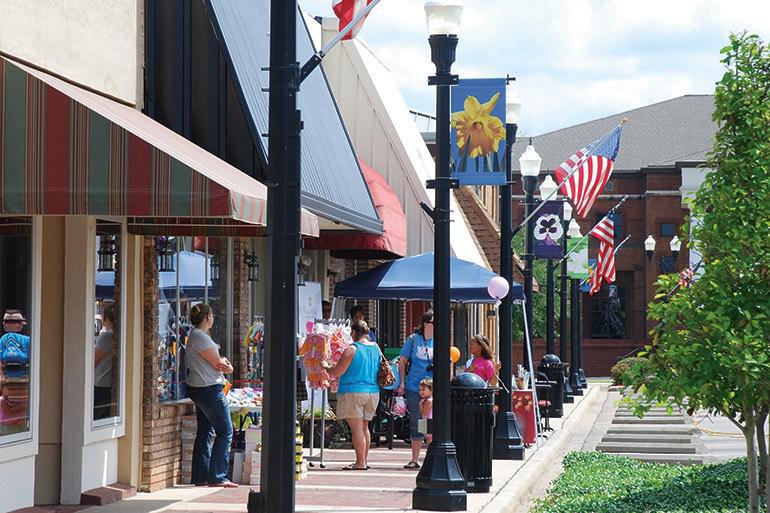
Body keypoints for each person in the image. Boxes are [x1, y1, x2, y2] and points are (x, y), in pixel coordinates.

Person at [185, 304, 237, 488]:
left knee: (206, 431)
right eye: (212, 314)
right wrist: (228, 366)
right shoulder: (200, 337)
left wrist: (224, 364)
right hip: (209, 389)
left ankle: (201, 475)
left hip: (201, 388)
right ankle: (218, 476)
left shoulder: (198, 336)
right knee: (225, 431)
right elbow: (219, 364)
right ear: (207, 316)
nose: (213, 318)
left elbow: (219, 362)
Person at [324, 320, 379, 471]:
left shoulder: (352, 349)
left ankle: (360, 462)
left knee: (356, 429)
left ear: (353, 333)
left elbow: (338, 371)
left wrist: (326, 367)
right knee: (364, 427)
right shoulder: (375, 348)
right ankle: (364, 460)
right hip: (373, 392)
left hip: (353, 391)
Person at [397, 309, 433, 469]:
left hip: (433, 388)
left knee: (430, 422)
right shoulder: (413, 340)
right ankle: (415, 458)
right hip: (414, 387)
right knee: (417, 421)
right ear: (426, 324)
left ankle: (431, 458)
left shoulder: (439, 340)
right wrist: (402, 382)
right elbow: (402, 361)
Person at [94, 303, 117, 420]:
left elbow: (94, 360)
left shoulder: (107, 336)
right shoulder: (116, 335)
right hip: (108, 383)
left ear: (106, 316)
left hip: (100, 382)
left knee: (94, 418)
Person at [0, 310, 30, 381]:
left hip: (24, 375)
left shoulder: (27, 340)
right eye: (7, 321)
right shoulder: (3, 339)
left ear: (22, 323)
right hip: (6, 376)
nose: (5, 324)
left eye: (13, 321)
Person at [418, 378, 433, 445]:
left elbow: (423, 413)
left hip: (429, 421)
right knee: (427, 439)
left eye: (423, 389)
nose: (421, 392)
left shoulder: (429, 400)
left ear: (431, 390)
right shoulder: (426, 400)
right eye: (420, 390)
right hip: (426, 420)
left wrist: (420, 404)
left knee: (429, 439)